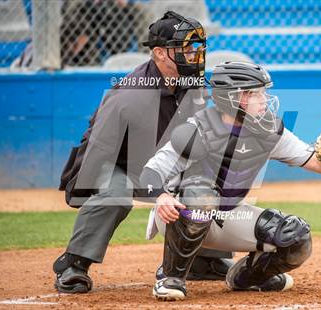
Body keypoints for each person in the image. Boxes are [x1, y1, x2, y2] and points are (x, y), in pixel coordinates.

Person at [53, 11, 233, 294]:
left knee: (203, 184)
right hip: (117, 162)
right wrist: (82, 185)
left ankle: (203, 260)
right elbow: (99, 146)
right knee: (117, 193)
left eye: (197, 48)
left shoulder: (191, 83)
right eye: (185, 49)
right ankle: (73, 263)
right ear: (160, 53)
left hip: (160, 161)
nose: (194, 55)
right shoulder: (133, 94)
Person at [139, 61, 321, 301]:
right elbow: (149, 174)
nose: (264, 99)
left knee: (296, 237)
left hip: (228, 215)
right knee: (201, 195)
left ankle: (246, 278)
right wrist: (162, 197)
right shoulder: (198, 129)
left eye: (263, 92)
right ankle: (171, 277)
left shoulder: (268, 130)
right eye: (254, 93)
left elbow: (317, 163)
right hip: (178, 215)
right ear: (231, 98)